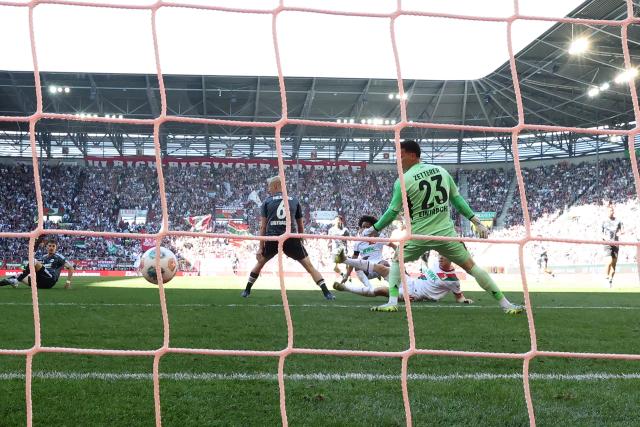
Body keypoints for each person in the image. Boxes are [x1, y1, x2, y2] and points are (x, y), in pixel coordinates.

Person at [363, 139, 523, 314]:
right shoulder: (441, 171)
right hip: (445, 234)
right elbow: (457, 199)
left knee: (396, 261)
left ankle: (392, 302)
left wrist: (374, 229)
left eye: (400, 155)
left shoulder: (403, 180)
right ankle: (506, 304)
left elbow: (392, 211)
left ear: (412, 155)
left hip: (419, 235)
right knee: (472, 267)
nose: (397, 160)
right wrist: (476, 221)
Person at [242, 176, 335, 300]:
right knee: (309, 266)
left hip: (273, 237)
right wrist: (300, 239)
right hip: (290, 237)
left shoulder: (267, 202)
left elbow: (262, 227)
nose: (268, 189)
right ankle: (327, 293)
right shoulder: (294, 200)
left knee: (260, 263)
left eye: (269, 186)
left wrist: (260, 247)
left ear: (275, 186)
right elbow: (300, 224)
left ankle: (247, 290)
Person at [334, 253, 473, 304]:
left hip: (413, 295)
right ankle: (345, 260)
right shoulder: (435, 262)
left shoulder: (453, 280)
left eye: (444, 256)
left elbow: (459, 297)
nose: (441, 257)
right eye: (440, 255)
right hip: (410, 281)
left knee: (381, 290)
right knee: (383, 269)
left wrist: (465, 300)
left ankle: (346, 288)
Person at [337, 215, 391, 291]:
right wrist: (347, 275)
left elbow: (392, 245)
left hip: (379, 266)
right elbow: (353, 260)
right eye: (363, 227)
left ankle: (394, 287)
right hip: (367, 269)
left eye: (367, 227)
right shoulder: (358, 242)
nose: (365, 229)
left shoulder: (379, 237)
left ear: (373, 228)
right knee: (357, 265)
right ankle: (370, 289)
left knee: (385, 263)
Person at [0, 238, 74, 289]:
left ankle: (17, 281)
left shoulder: (59, 257)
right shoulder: (43, 257)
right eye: (50, 246)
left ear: (56, 248)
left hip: (49, 280)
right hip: (39, 282)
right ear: (46, 247)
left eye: (53, 246)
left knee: (33, 261)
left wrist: (68, 282)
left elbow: (71, 268)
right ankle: (9, 282)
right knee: (17, 276)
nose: (51, 247)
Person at [602, 205, 623, 287]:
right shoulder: (603, 221)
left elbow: (622, 230)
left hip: (616, 244)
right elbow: (600, 233)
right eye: (609, 211)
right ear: (606, 212)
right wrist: (605, 238)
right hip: (607, 244)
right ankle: (606, 278)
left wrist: (620, 233)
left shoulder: (618, 221)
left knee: (614, 264)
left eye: (612, 211)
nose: (611, 212)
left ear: (613, 212)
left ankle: (610, 280)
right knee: (609, 261)